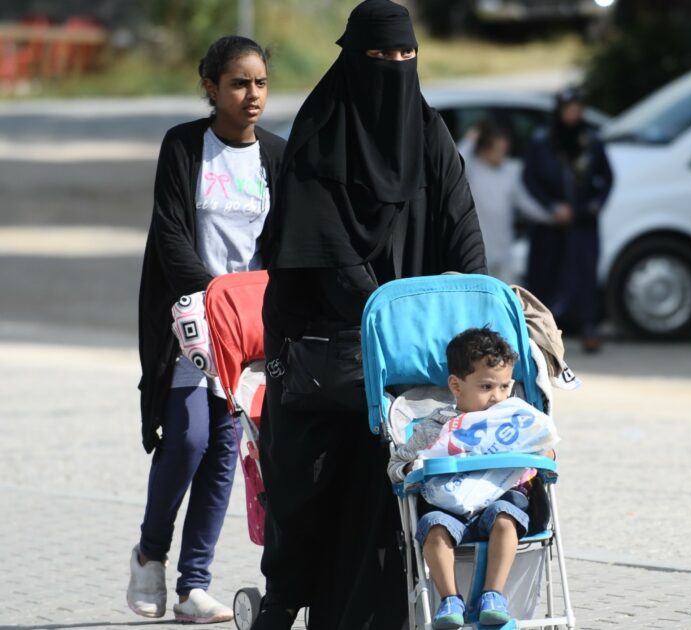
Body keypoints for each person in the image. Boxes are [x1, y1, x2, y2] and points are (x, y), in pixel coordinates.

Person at [254, 2, 487, 628]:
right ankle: (285, 601)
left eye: (406, 57)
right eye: (381, 58)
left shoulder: (427, 130)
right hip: (326, 350)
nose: (395, 69)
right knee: (314, 488)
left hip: (410, 353)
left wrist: (471, 300)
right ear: (354, 58)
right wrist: (394, 322)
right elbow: (326, 256)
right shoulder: (319, 135)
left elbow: (462, 226)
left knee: (398, 491)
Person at [131, 36, 285, 623]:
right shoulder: (184, 146)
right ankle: (150, 551)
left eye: (260, 83)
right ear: (212, 88)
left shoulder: (277, 154)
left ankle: (193, 585)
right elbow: (170, 232)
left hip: (250, 325)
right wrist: (212, 294)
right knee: (190, 438)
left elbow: (283, 240)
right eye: (240, 83)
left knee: (225, 453)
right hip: (191, 320)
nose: (252, 95)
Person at [387, 328, 534, 628]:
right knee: (433, 529)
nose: (498, 397)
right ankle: (449, 600)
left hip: (498, 504)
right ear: (456, 385)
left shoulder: (513, 421)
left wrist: (544, 455)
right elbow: (396, 464)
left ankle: (493, 596)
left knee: (508, 519)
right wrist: (413, 467)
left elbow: (544, 450)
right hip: (450, 509)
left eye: (505, 387)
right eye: (486, 387)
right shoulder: (437, 426)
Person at [522, 88, 613, 354]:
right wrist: (551, 207)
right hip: (551, 224)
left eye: (578, 109)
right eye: (569, 109)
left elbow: (606, 179)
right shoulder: (543, 141)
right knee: (547, 275)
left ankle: (588, 328)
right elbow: (530, 180)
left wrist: (590, 207)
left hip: (583, 223)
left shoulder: (591, 141)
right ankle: (545, 334)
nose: (574, 115)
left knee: (584, 275)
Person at [465, 119, 552, 284]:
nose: (503, 154)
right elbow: (455, 160)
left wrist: (551, 215)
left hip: (504, 249)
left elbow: (526, 203)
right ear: (486, 148)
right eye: (499, 149)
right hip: (479, 248)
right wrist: (471, 139)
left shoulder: (509, 172)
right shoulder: (471, 170)